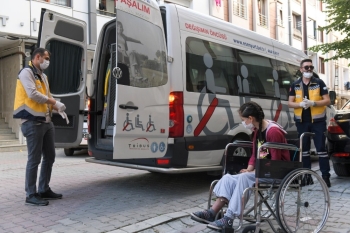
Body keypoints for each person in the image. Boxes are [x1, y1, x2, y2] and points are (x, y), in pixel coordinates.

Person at [190, 101, 290, 230]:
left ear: (251, 118)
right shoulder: (257, 131)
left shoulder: (273, 132)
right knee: (228, 178)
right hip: (263, 170)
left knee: (244, 178)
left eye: (243, 120)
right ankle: (212, 213)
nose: (243, 123)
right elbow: (256, 153)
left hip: (277, 172)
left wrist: (254, 172)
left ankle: (229, 218)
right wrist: (249, 168)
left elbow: (276, 161)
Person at [13, 48, 67, 206]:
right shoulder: (26, 73)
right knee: (34, 159)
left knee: (50, 156)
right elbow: (32, 94)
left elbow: (47, 96)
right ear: (37, 57)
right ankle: (31, 194)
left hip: (46, 122)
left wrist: (58, 108)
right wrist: (54, 102)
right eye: (46, 58)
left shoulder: (43, 76)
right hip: (31, 122)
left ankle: (43, 189)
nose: (47, 61)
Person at [288, 59, 331, 187]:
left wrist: (314, 103)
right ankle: (307, 177)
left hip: (318, 121)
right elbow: (290, 103)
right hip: (302, 121)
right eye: (306, 68)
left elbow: (327, 100)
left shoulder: (319, 82)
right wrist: (300, 104)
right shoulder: (295, 85)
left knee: (321, 150)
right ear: (301, 69)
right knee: (304, 151)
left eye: (311, 67)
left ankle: (325, 177)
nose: (309, 70)